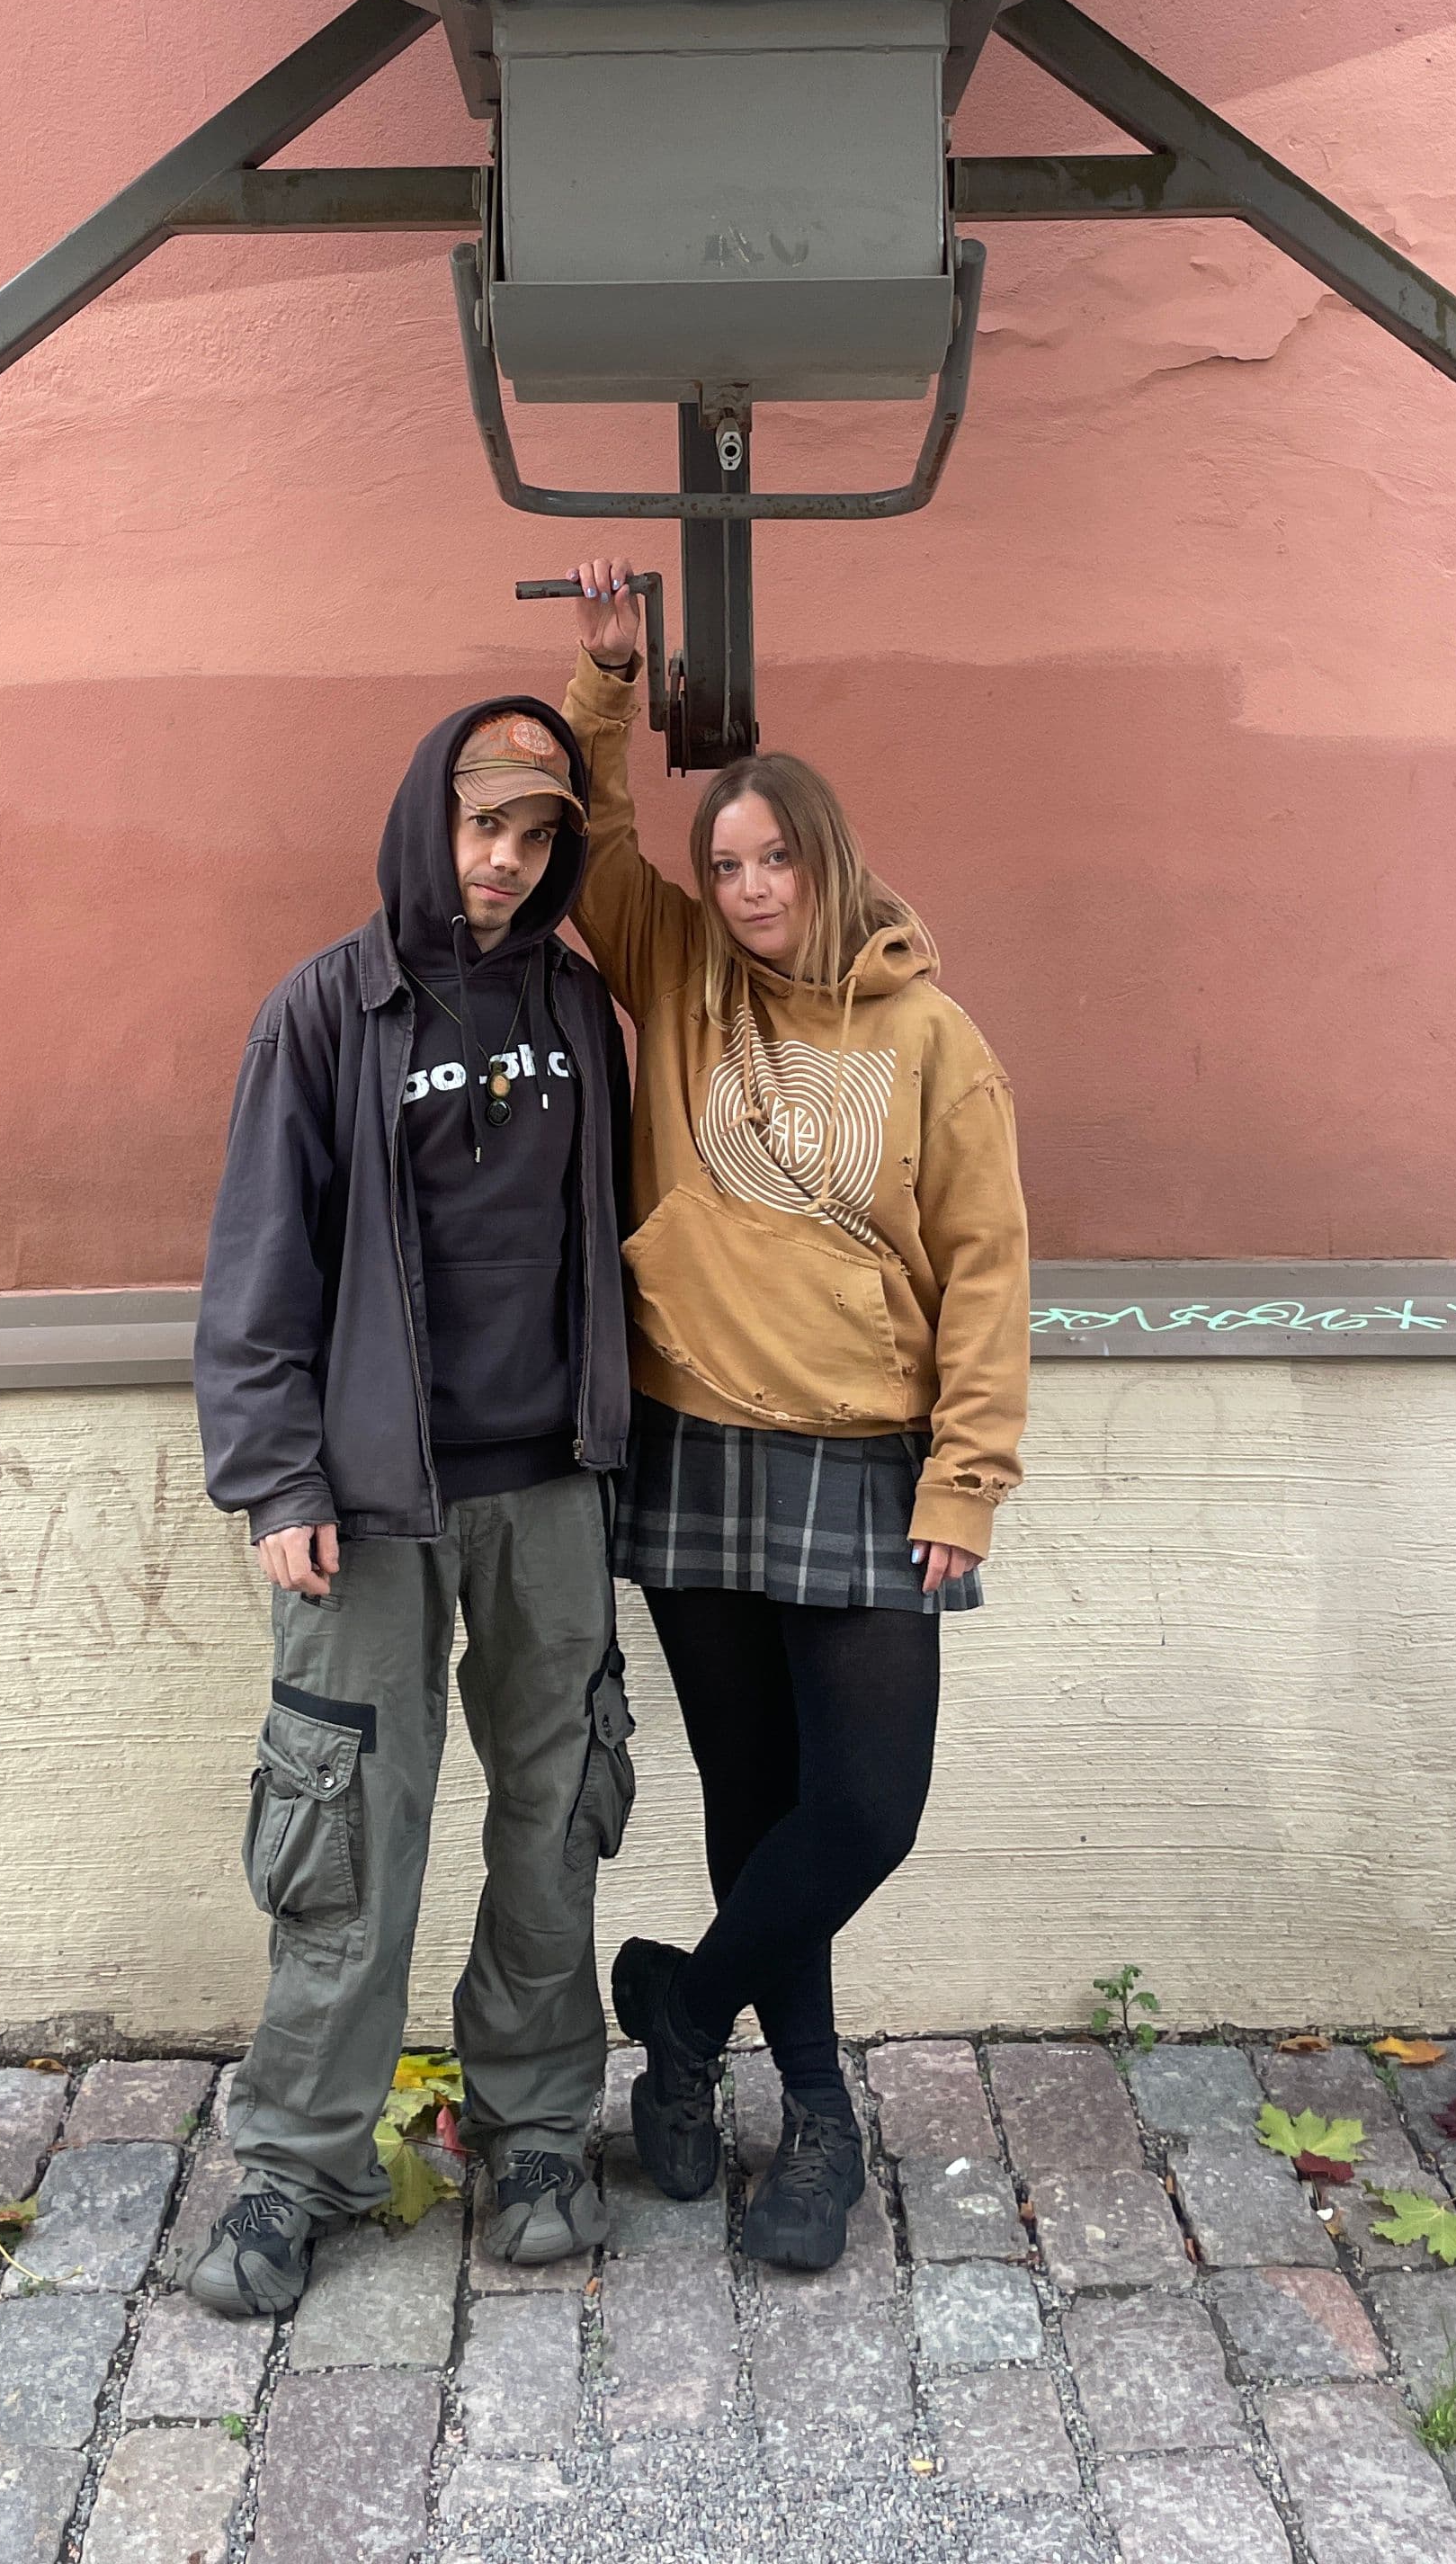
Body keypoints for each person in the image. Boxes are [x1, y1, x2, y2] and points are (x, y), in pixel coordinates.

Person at [561, 558, 1031, 2273]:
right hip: (697, 1440)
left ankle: (682, 2013)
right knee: (754, 1805)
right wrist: (607, 685)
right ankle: (816, 2116)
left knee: (866, 1810)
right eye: (729, 865)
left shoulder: (933, 1039)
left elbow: (986, 1267)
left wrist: (965, 1481)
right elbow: (597, 851)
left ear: (829, 861)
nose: (751, 889)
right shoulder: (680, 967)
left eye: (777, 860)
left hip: (861, 1459)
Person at [183, 696, 637, 2316]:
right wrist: (275, 1476)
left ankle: (536, 2131)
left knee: (555, 1819)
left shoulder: (576, 1008)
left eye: (532, 835)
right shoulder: (326, 1011)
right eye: (479, 825)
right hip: (371, 1504)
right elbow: (260, 1260)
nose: (502, 860)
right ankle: (298, 2162)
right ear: (425, 823)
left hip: (549, 1490)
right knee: (345, 1835)